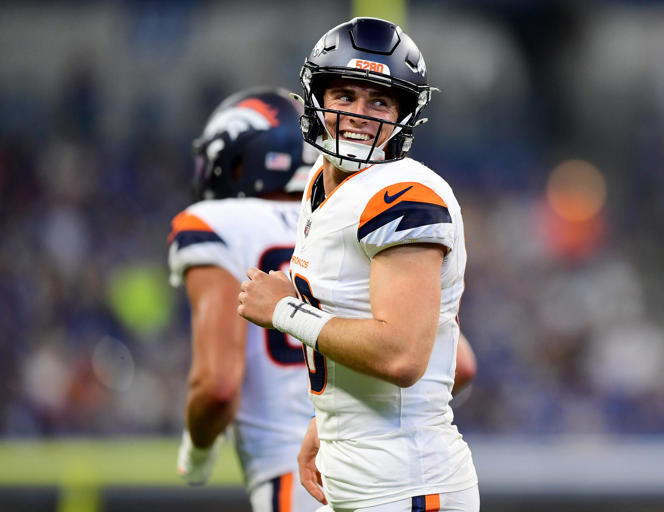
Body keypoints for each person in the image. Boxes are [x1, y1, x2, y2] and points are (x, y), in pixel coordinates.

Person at [237, 18, 480, 512]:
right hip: (366, 477)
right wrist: (330, 421)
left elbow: (403, 357)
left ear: (404, 114)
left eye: (379, 101)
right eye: (345, 96)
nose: (358, 114)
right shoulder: (321, 184)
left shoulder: (404, 195)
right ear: (317, 100)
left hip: (405, 483)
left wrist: (285, 311)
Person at [167, 87, 319, 512]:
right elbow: (458, 366)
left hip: (300, 480)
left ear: (236, 161)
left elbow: (217, 386)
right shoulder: (351, 220)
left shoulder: (217, 223)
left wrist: (196, 453)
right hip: (399, 480)